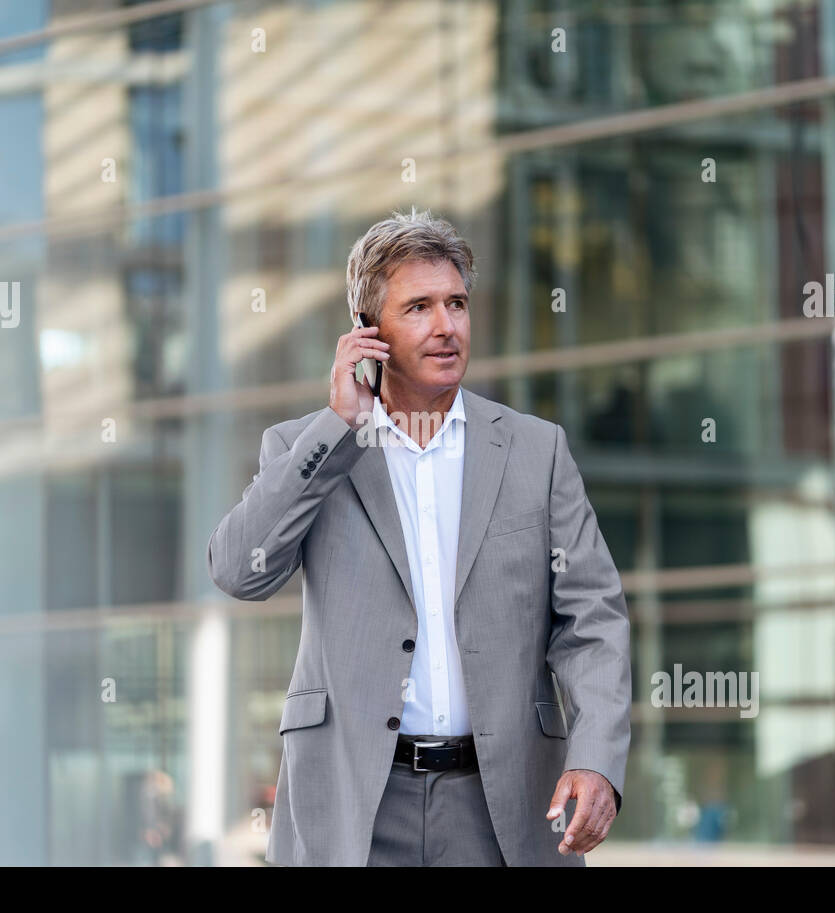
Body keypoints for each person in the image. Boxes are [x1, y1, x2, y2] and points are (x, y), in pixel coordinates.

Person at [207, 209, 632, 866]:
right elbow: (240, 571)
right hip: (357, 808)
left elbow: (593, 621)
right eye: (420, 307)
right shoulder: (308, 449)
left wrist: (598, 758)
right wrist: (339, 424)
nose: (447, 326)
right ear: (367, 332)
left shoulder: (535, 451)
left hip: (503, 804)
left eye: (457, 304)